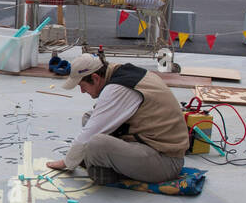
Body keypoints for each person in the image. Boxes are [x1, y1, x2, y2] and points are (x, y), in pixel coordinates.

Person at [45, 52, 188, 186]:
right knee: (89, 117)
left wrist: (68, 162)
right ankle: (105, 164)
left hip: (165, 161)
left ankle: (110, 171)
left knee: (96, 143)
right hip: (148, 143)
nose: (82, 91)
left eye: (82, 86)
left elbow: (90, 134)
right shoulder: (118, 72)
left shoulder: (118, 89)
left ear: (95, 78)